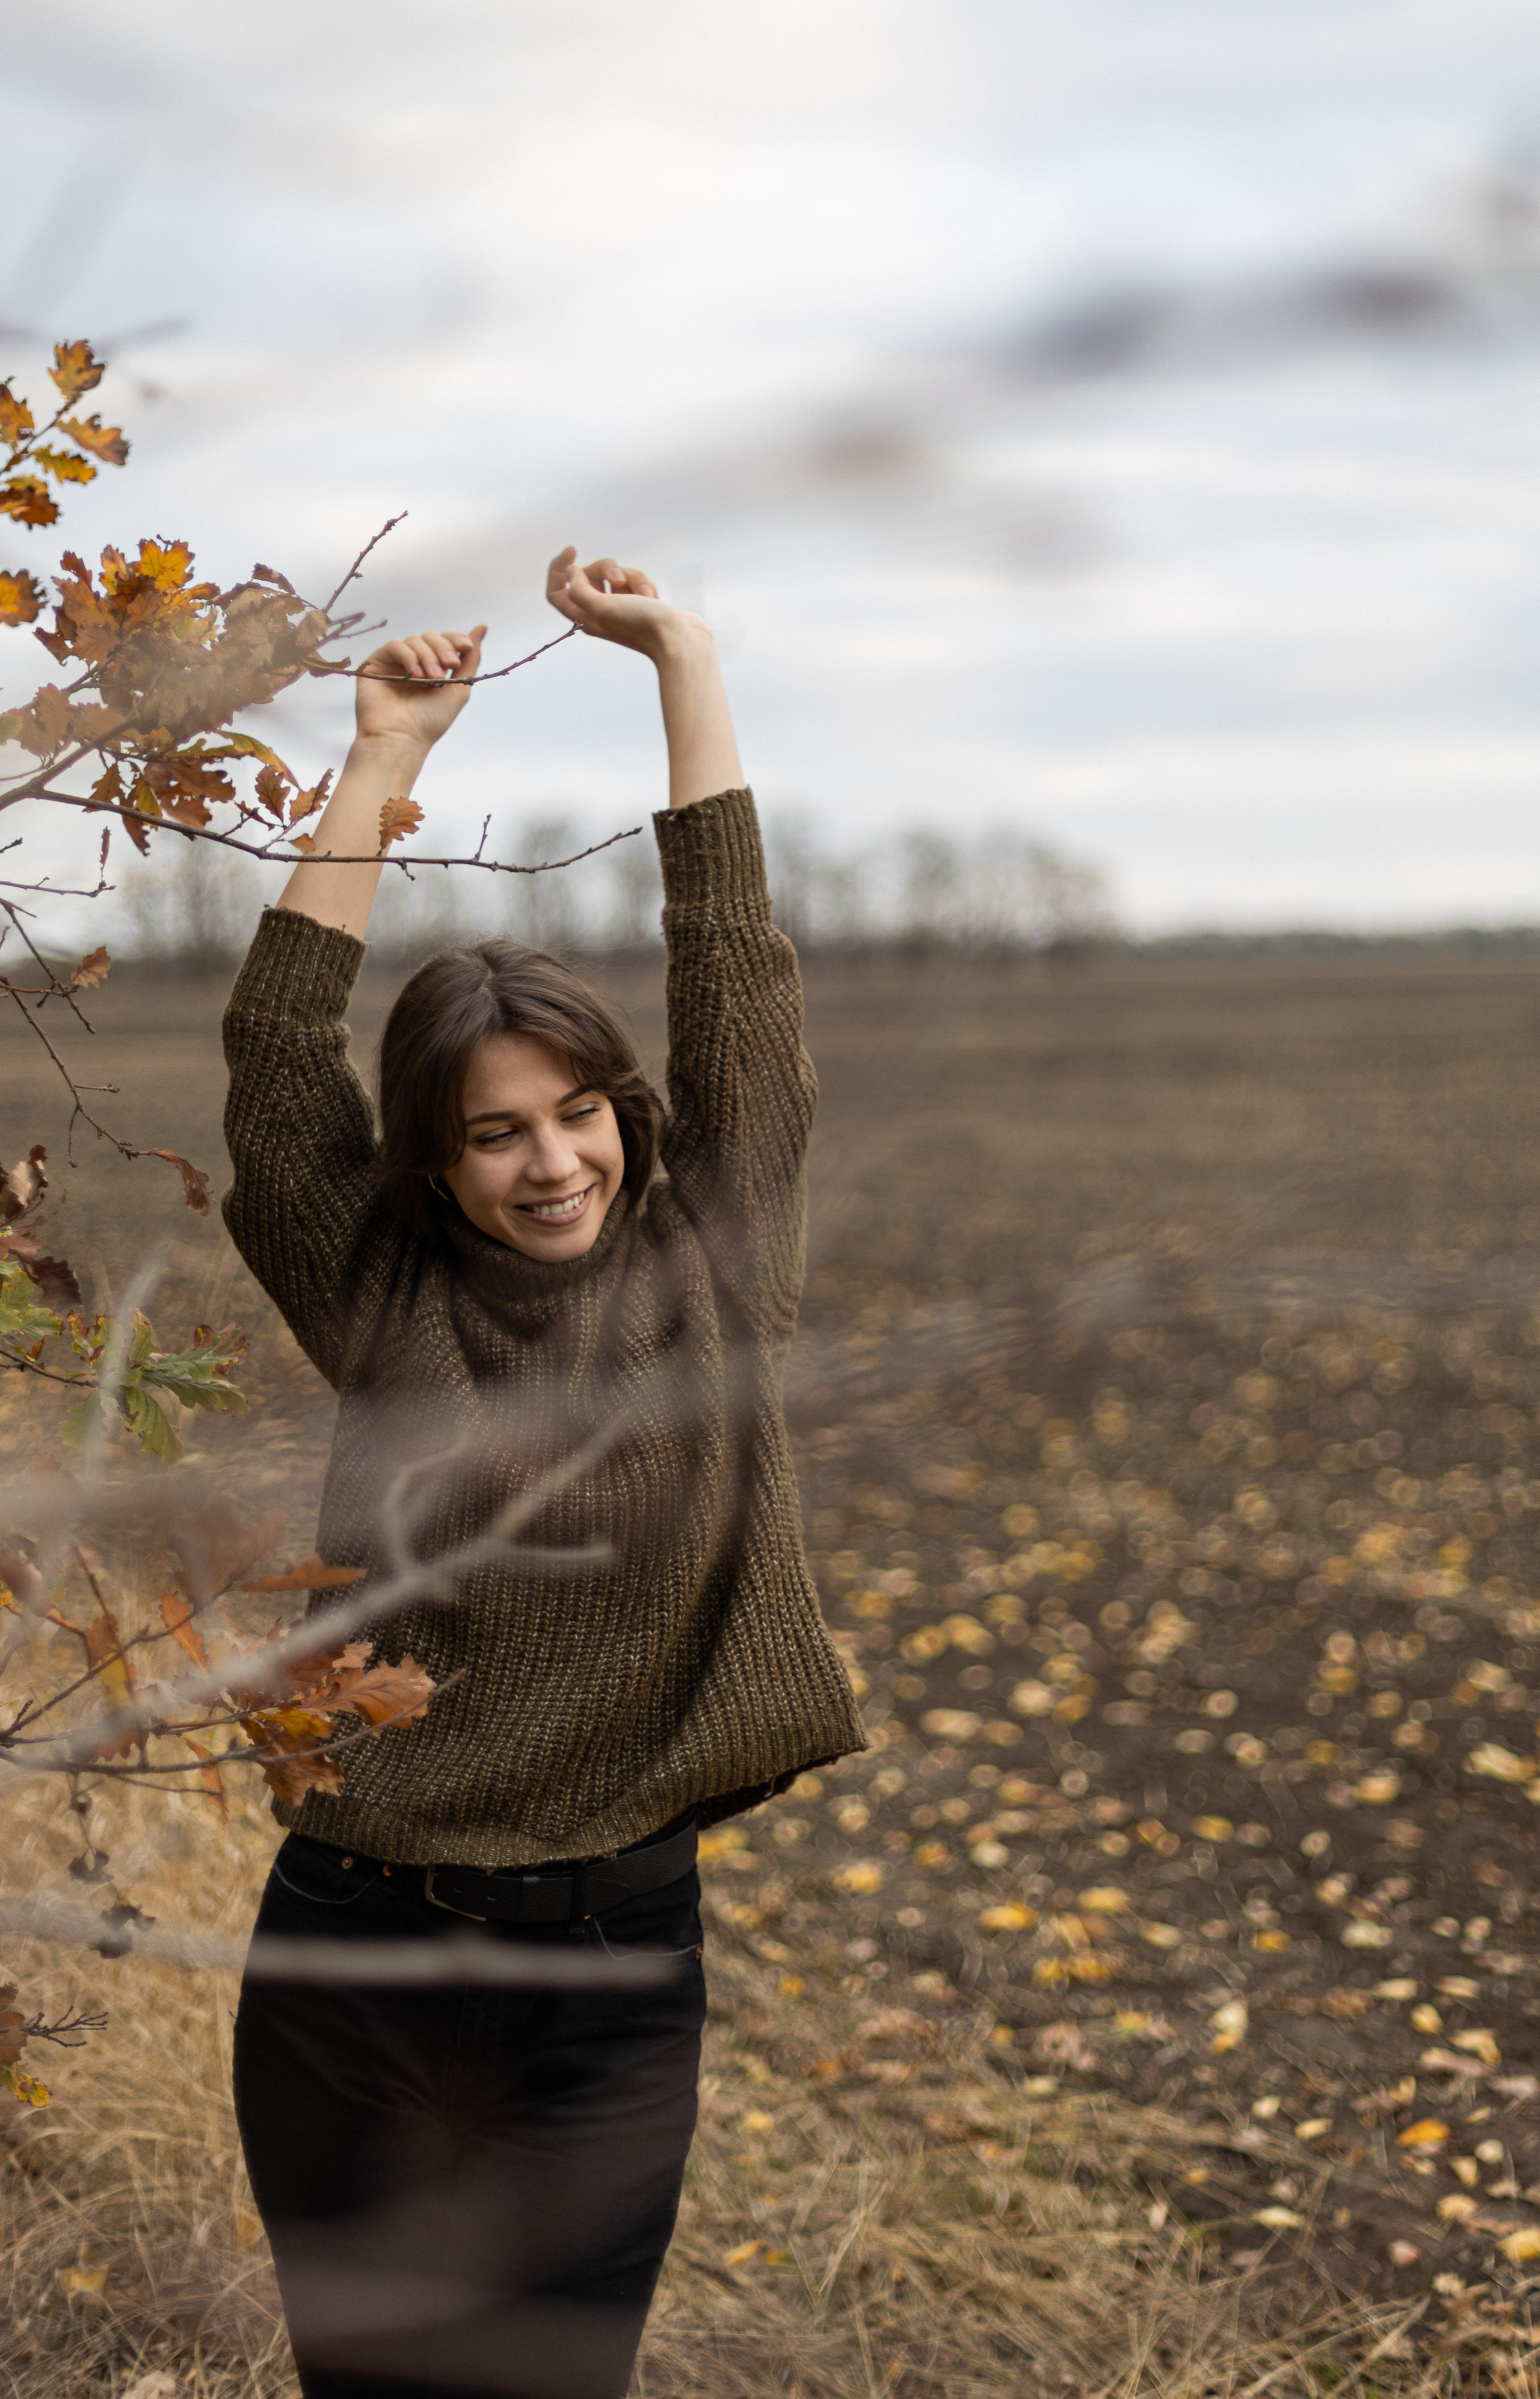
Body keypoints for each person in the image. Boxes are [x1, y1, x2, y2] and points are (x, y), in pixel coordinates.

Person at [223, 549, 866, 2399]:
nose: (553, 1162)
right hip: (357, 1949)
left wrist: (685, 655)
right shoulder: (381, 1292)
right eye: (495, 1134)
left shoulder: (716, 1272)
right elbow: (277, 1062)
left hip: (605, 1966)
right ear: (433, 1160)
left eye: (578, 1113)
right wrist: (378, 757)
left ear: (627, 1112)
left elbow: (734, 973)